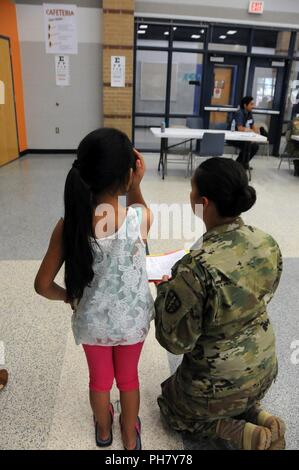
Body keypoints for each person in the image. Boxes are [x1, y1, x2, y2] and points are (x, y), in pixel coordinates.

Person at [35, 128, 154, 450]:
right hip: (132, 323)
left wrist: (70, 297)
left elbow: (42, 285)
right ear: (128, 174)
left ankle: (104, 428)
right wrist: (137, 186)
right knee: (128, 380)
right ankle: (130, 436)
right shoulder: (137, 219)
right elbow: (143, 211)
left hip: (93, 323)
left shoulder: (69, 224)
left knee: (99, 382)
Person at [154, 157, 286, 450]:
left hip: (218, 382)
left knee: (171, 404)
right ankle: (258, 415)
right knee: (235, 392)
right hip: (265, 367)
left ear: (203, 202)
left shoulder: (195, 267)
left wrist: (166, 291)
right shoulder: (267, 242)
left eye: (191, 191)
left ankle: (242, 433)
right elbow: (265, 294)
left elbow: (175, 342)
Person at [234, 96, 260, 170]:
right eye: (251, 104)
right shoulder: (239, 113)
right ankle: (238, 165)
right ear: (245, 105)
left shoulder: (249, 113)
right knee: (248, 145)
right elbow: (240, 128)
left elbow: (253, 125)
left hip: (244, 138)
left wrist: (257, 131)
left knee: (255, 146)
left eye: (253, 104)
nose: (253, 106)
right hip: (235, 138)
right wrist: (252, 131)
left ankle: (242, 164)